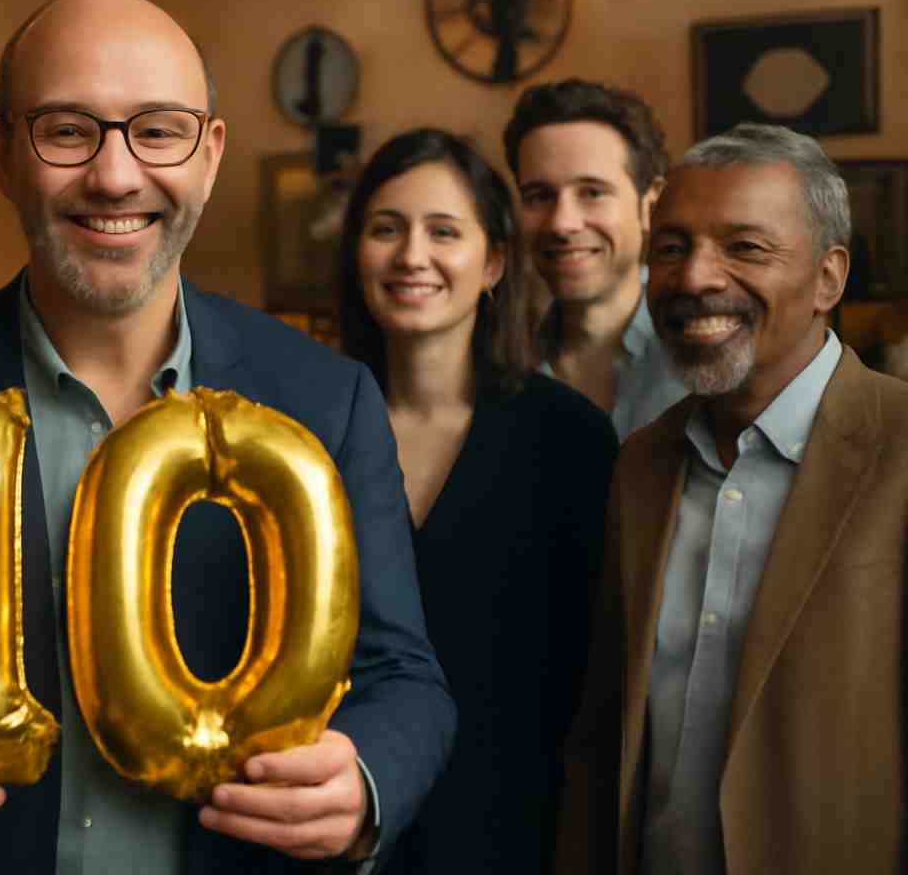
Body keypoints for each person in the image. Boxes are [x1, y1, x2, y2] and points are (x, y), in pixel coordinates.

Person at [0, 0, 456, 873]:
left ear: (210, 155)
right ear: (1, 153)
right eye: (68, 130)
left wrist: (365, 781)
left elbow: (404, 679)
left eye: (159, 129)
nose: (115, 175)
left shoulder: (326, 400)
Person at [555, 123, 908, 875]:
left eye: (744, 247)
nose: (694, 279)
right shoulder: (642, 465)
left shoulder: (900, 451)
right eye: (673, 248)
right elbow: (604, 730)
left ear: (828, 279)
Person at [338, 128, 617, 873]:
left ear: (493, 261)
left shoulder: (571, 439)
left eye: (444, 232)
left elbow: (595, 686)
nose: (411, 257)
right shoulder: (304, 429)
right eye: (385, 229)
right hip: (338, 833)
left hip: (513, 836)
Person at [504, 79, 687, 440]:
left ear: (652, 206)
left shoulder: (710, 350)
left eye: (592, 192)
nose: (562, 223)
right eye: (539, 196)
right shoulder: (503, 366)